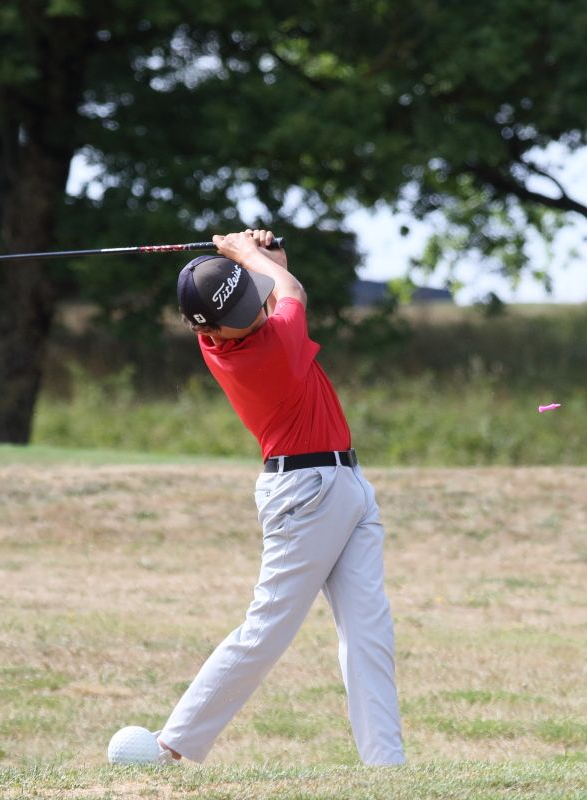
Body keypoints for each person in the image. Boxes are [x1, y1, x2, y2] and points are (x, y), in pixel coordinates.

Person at [141, 228, 405, 766]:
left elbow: (276, 291)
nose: (255, 315)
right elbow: (292, 293)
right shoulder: (269, 348)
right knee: (267, 627)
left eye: (251, 301)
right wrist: (248, 254)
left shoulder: (222, 335)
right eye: (242, 312)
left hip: (344, 484)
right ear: (211, 328)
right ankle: (174, 743)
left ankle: (386, 763)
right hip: (306, 494)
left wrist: (265, 261)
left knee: (369, 630)